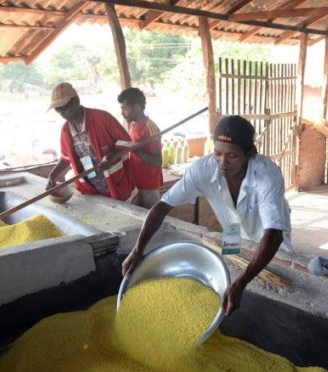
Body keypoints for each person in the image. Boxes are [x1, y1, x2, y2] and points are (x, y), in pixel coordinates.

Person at [122, 115, 292, 316]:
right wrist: (138, 248)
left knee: (278, 284)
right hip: (232, 229)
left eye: (232, 156)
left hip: (269, 235)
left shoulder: (267, 174)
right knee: (232, 269)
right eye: (217, 153)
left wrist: (242, 282)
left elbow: (274, 233)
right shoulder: (202, 170)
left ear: (250, 153)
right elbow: (163, 206)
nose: (223, 163)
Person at [46, 82, 137, 202]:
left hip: (116, 184)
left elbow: (127, 142)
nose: (62, 113)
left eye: (65, 107)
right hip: (90, 189)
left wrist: (111, 157)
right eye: (58, 110)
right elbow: (65, 159)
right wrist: (52, 176)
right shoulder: (65, 130)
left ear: (76, 101)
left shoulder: (102, 118)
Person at [117, 87, 163, 209]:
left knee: (152, 219)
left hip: (149, 186)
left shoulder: (150, 127)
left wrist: (134, 149)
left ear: (137, 107)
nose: (122, 113)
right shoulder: (132, 125)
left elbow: (157, 161)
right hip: (136, 183)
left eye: (125, 108)